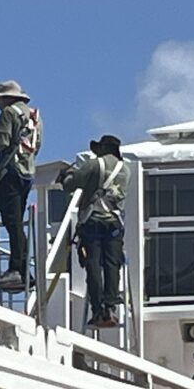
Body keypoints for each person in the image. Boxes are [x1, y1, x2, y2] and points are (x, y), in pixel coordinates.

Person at [61, 134, 129, 328]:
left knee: (92, 265)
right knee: (112, 264)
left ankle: (98, 310)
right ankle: (111, 307)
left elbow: (70, 185)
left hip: (92, 221)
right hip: (114, 222)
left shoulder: (94, 164)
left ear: (102, 149)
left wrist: (66, 175)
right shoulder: (125, 169)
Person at [0, 80, 41, 290]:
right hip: (27, 173)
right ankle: (24, 271)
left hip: (10, 173)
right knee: (16, 221)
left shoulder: (9, 114)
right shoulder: (34, 117)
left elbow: (0, 143)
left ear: (7, 98)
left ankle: (17, 269)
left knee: (12, 222)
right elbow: (36, 146)